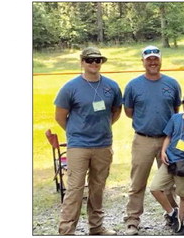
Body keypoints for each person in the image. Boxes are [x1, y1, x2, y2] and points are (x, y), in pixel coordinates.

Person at [55, 47, 122, 235]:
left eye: (98, 60)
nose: (94, 63)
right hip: (79, 146)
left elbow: (116, 110)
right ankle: (66, 230)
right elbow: (60, 116)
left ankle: (96, 227)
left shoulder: (111, 86)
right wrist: (76, 132)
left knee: (98, 188)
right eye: (89, 60)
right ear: (82, 62)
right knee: (75, 189)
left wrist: (104, 127)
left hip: (103, 145)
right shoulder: (70, 87)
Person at [123, 45, 182, 235]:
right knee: (137, 182)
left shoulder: (172, 83)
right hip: (143, 139)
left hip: (167, 140)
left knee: (167, 181)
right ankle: (133, 219)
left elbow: (175, 110)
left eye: (156, 58)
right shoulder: (133, 85)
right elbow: (129, 111)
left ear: (161, 60)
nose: (153, 62)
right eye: (149, 59)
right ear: (143, 62)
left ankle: (172, 215)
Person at [149, 92, 184, 235]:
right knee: (155, 188)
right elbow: (168, 136)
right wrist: (163, 151)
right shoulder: (175, 118)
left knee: (183, 194)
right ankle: (172, 213)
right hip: (169, 160)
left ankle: (180, 222)